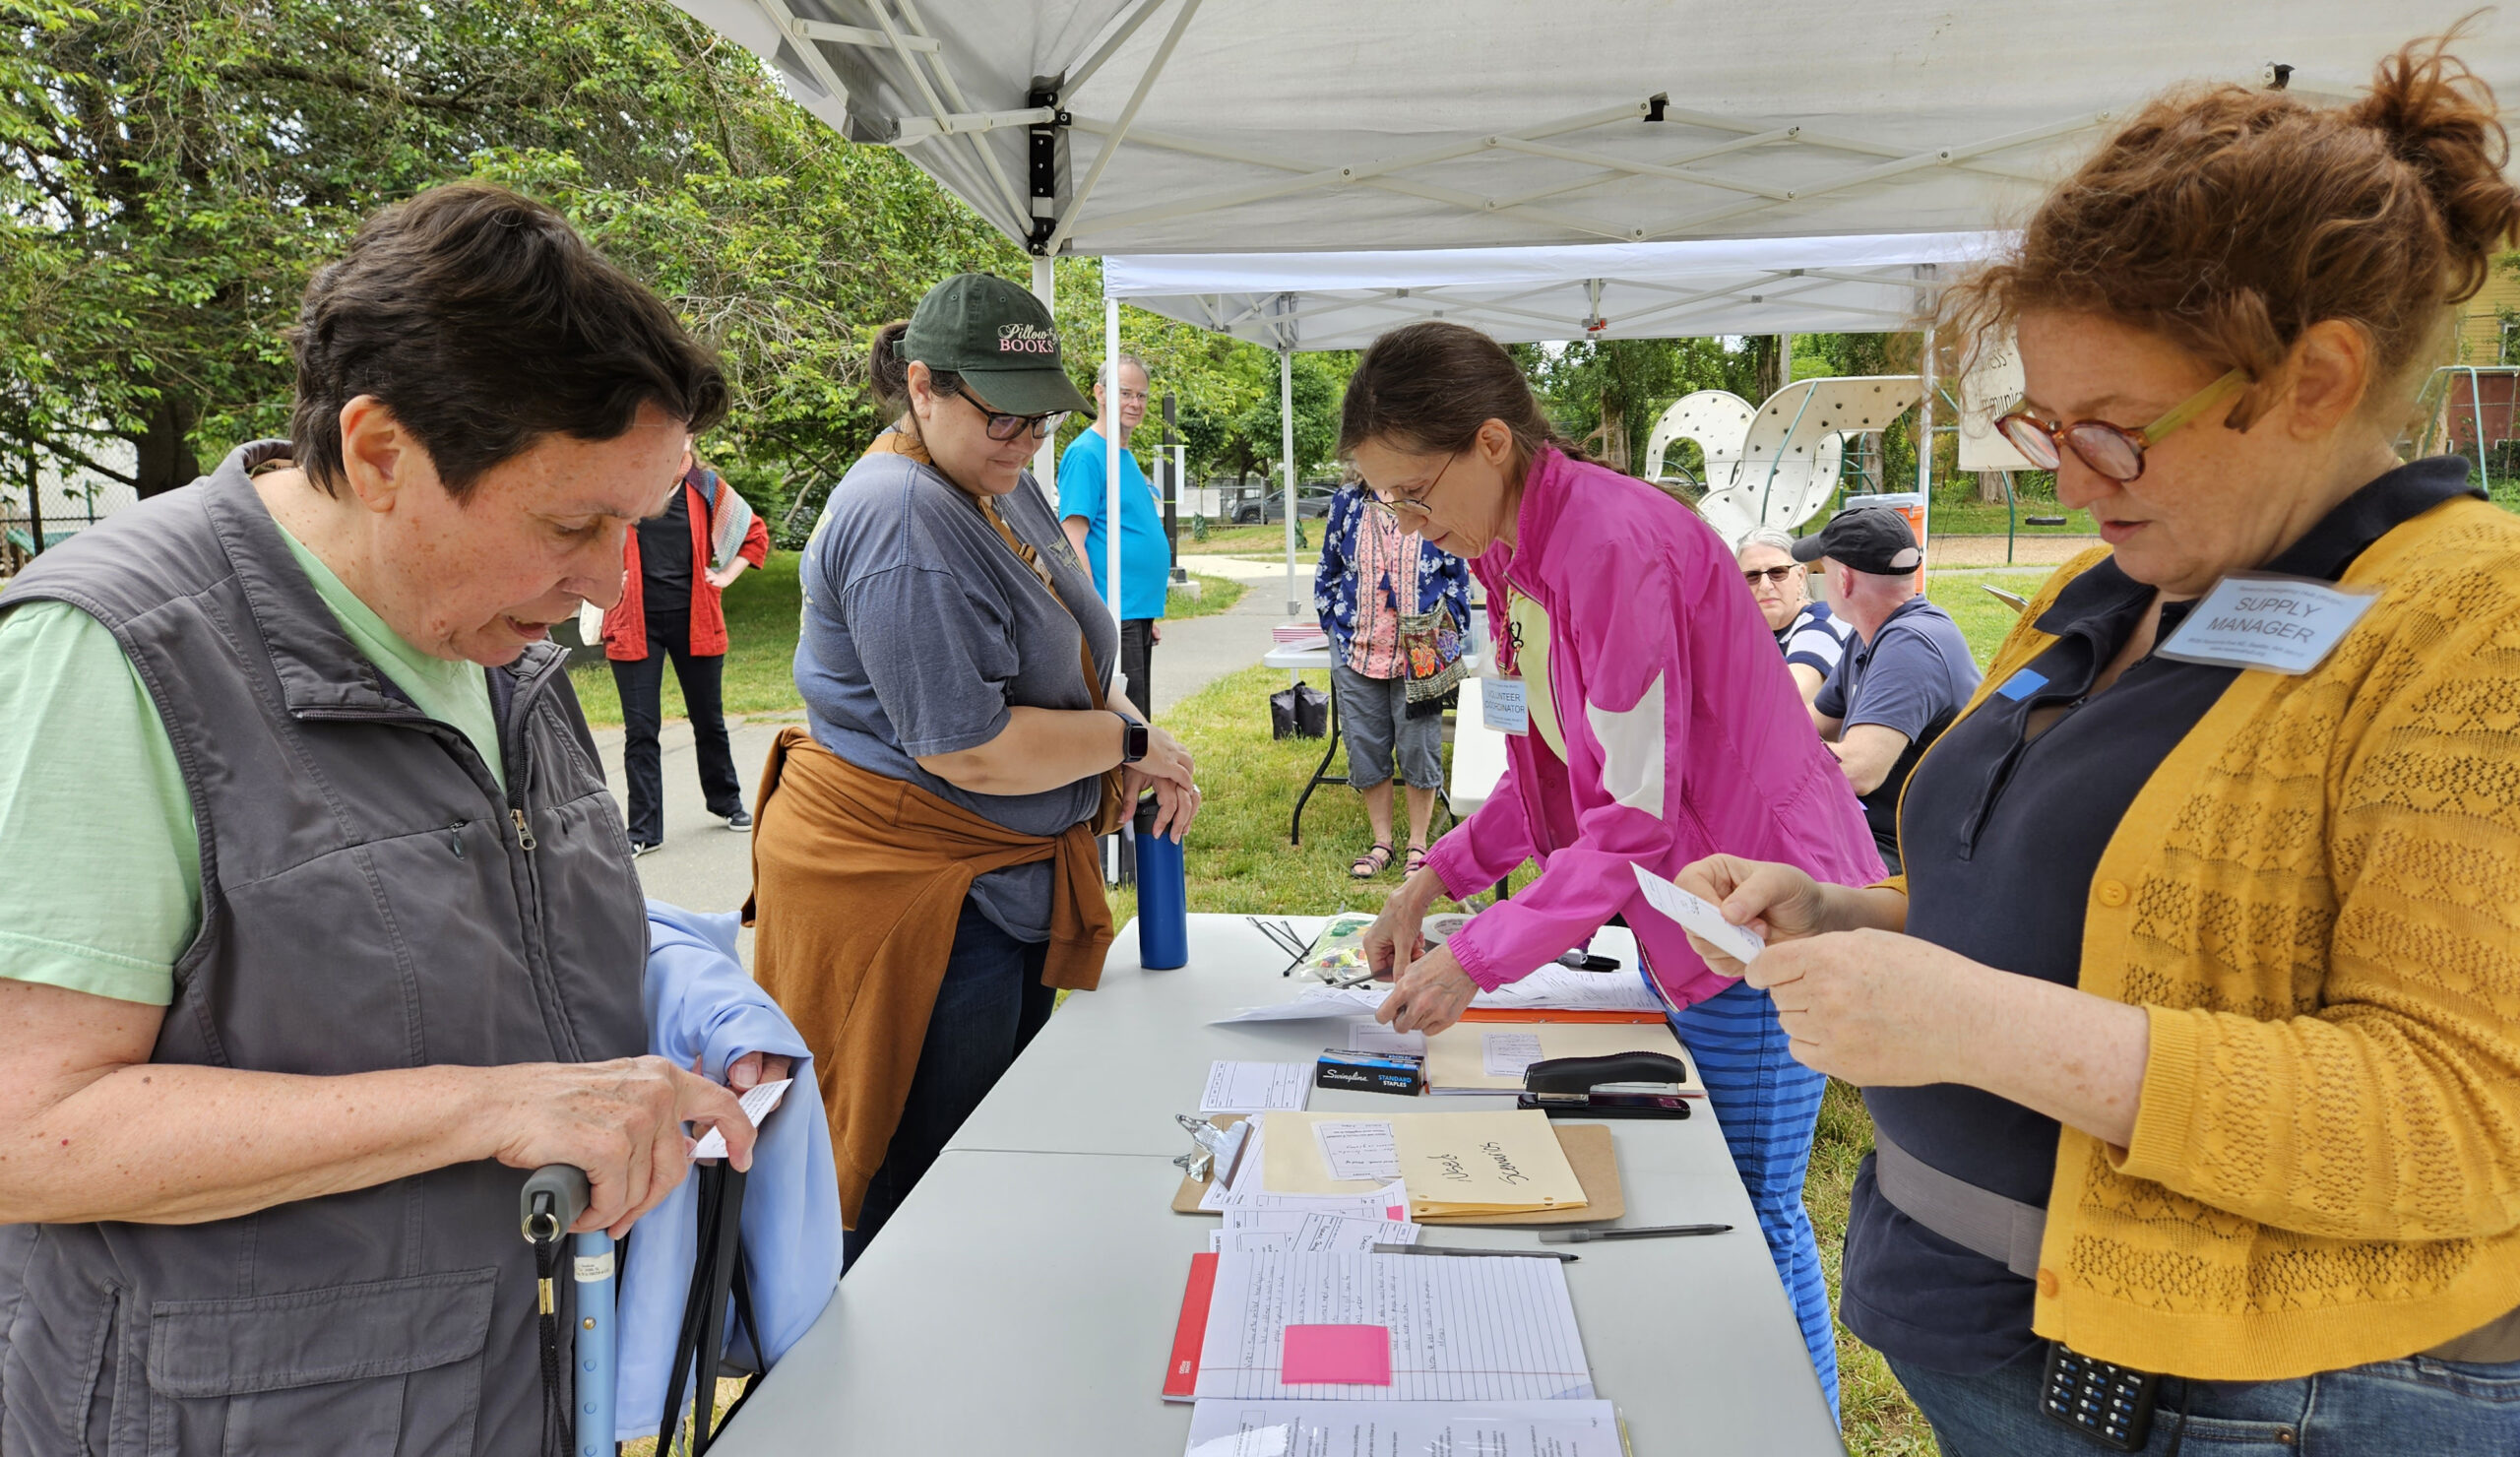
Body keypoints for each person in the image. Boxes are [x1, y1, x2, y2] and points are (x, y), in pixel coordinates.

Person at [1674, 34, 2520, 1454]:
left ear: (2317, 378)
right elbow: (2072, 926)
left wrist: (1970, 1026)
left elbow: (2460, 1119)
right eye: (2043, 423)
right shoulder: (2104, 588)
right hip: (1993, 1346)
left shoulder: (2472, 627)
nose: (2069, 477)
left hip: (2259, 1404)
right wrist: (1846, 913)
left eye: (2118, 432)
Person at [0, 182, 772, 1453]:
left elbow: (499, 950)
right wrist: (488, 1106)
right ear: (378, 454)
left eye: (630, 527)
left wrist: (687, 1003)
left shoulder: (504, 655)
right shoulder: (113, 657)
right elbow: (31, 1128)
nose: (605, 586)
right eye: (572, 523)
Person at [1350, 321, 1883, 1413]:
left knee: (1752, 1208)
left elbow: (1627, 821)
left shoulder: (1605, 547)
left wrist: (1477, 959)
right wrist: (1432, 880)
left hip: (1758, 918)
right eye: (1388, 503)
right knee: (1711, 1193)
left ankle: (1797, 1425)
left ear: (1490, 444)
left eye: (1412, 493)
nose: (1410, 524)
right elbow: (1548, 775)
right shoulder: (1510, 555)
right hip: (1685, 918)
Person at [749, 274, 1202, 1268]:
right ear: (922, 388)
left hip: (993, 882)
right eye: (1002, 416)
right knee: (930, 1184)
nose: (1024, 440)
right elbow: (970, 747)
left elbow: (1075, 660)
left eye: (1040, 421)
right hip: (919, 899)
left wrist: (1136, 735)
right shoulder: (903, 517)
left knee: (991, 1148)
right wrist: (1124, 746)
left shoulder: (989, 472)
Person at [602, 448, 771, 853]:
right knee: (641, 731)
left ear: (689, 436)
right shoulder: (621, 484)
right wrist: (606, 570)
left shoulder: (705, 487)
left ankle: (727, 803)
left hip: (695, 618)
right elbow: (579, 533)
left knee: (708, 720)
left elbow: (753, 533)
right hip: (633, 621)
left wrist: (726, 575)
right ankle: (643, 831)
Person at [1795, 507, 1979, 873]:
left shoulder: (1910, 645)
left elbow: (1858, 771)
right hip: (1880, 831)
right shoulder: (1870, 636)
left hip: (1917, 849)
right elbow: (1806, 725)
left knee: (1766, 885)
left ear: (1844, 580)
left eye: (1823, 569)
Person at [1313, 475, 1473, 878]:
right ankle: (1381, 842)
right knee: (1366, 744)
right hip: (1357, 645)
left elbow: (1458, 573)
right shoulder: (1348, 500)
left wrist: (1448, 627)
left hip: (1421, 647)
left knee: (1419, 745)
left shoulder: (1432, 495)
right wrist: (1333, 624)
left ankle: (1418, 844)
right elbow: (1328, 568)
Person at [1058, 353, 1166, 717]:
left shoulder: (1125, 456)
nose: (1135, 404)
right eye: (1125, 393)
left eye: (1142, 396)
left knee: (1141, 719)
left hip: (1136, 612)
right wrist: (1097, 614)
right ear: (1100, 393)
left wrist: (1146, 609)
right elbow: (1072, 540)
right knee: (1129, 728)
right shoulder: (1086, 454)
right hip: (1113, 614)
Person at [1737, 525, 1852, 708]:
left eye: (1778, 572)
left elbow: (1791, 695)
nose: (1765, 585)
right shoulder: (1743, 633)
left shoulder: (1823, 623)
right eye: (1752, 576)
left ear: (1800, 576)